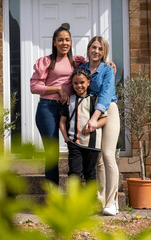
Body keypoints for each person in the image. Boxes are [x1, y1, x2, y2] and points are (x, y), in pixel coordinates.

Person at [30, 23, 116, 186]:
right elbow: (34, 87)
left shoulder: (77, 61)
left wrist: (109, 64)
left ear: (71, 42)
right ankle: (53, 195)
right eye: (60, 40)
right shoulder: (47, 61)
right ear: (54, 42)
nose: (64, 43)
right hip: (47, 108)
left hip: (71, 109)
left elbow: (94, 64)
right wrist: (58, 89)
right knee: (52, 153)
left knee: (79, 147)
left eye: (67, 40)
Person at [79, 36, 120, 216]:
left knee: (108, 155)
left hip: (107, 110)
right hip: (90, 112)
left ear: (104, 52)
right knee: (98, 159)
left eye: (100, 49)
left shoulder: (108, 69)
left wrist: (94, 118)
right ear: (88, 48)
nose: (96, 51)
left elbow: (105, 96)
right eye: (93, 47)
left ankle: (112, 201)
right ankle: (100, 201)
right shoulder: (81, 69)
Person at [60, 68, 107, 182]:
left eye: (82, 82)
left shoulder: (95, 100)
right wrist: (66, 137)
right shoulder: (69, 100)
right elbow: (62, 121)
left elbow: (104, 119)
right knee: (74, 173)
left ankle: (90, 199)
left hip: (92, 144)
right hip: (74, 143)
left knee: (90, 173)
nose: (79, 85)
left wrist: (94, 125)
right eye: (76, 83)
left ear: (88, 82)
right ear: (72, 84)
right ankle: (75, 199)